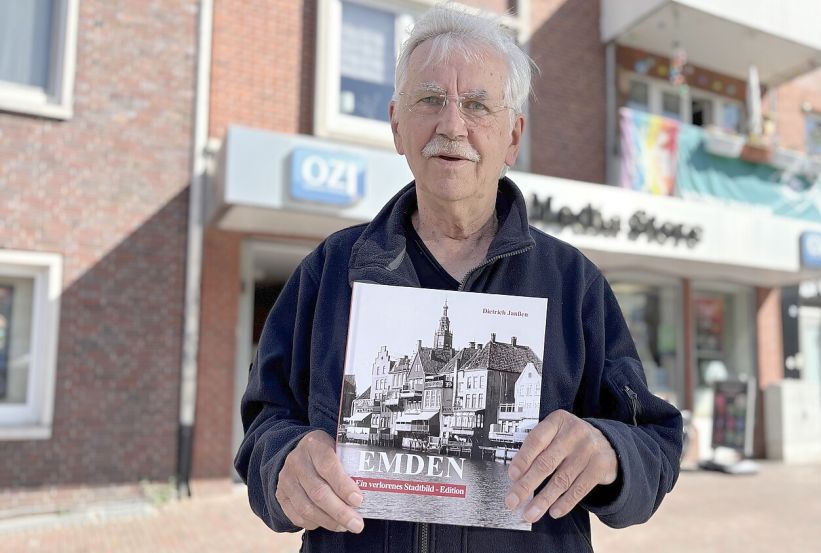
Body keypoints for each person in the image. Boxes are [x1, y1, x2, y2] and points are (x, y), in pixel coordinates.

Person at [235, 5, 682, 552]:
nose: (452, 125)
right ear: (397, 125)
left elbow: (656, 443)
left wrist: (611, 453)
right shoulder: (330, 271)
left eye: (476, 105)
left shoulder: (573, 283)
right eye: (430, 100)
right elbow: (264, 422)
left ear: (512, 138)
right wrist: (282, 463)